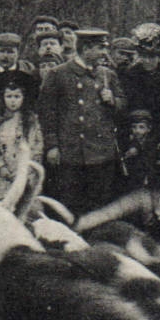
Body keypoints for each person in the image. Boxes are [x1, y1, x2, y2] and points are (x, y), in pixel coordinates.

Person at [37, 27, 124, 214]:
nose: (104, 53)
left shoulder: (108, 75)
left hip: (101, 153)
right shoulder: (58, 74)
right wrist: (52, 146)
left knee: (99, 205)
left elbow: (122, 107)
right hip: (71, 152)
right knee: (70, 204)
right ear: (86, 49)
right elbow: (47, 113)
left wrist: (113, 101)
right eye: (100, 49)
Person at [0, 69, 43, 201]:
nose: (13, 101)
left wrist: (24, 169)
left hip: (24, 174)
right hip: (0, 177)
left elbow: (37, 147)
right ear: (3, 98)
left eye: (17, 96)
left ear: (23, 98)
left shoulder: (31, 121)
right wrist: (0, 167)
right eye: (9, 96)